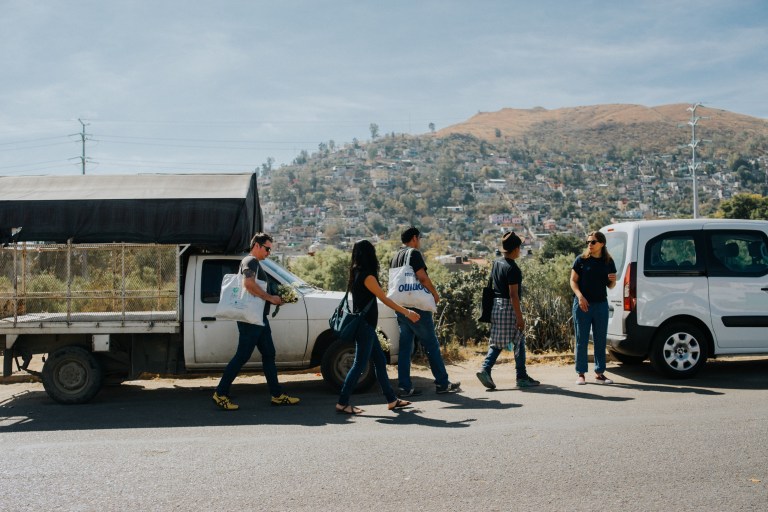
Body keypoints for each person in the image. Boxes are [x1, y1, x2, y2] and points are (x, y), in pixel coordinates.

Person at [212, 233, 300, 410]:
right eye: (267, 248)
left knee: (269, 354)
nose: (269, 252)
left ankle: (276, 395)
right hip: (251, 321)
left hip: (259, 320)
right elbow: (249, 284)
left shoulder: (255, 263)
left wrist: (275, 298)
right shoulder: (250, 261)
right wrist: (270, 298)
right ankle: (220, 394)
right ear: (257, 246)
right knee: (242, 356)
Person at [336, 239, 419, 414]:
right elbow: (384, 299)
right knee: (359, 365)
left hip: (366, 326)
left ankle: (391, 400)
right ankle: (342, 402)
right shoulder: (368, 276)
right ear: (370, 255)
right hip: (365, 326)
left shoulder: (356, 272)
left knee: (380, 361)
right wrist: (407, 312)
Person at [390, 226, 461, 397]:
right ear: (414, 238)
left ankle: (405, 387)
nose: (420, 242)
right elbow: (422, 278)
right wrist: (434, 294)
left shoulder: (395, 257)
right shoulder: (413, 254)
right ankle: (443, 383)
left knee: (406, 347)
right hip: (417, 307)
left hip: (401, 307)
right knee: (431, 345)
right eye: (419, 238)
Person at [476, 231, 540, 390]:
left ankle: (516, 374)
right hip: (508, 307)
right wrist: (520, 317)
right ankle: (493, 370)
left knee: (505, 341)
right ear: (516, 249)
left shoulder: (497, 263)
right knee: (511, 342)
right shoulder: (513, 269)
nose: (521, 250)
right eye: (520, 247)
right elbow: (513, 295)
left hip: (496, 306)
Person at [570, 230, 617, 385]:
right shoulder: (581, 260)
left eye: (593, 242)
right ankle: (581, 374)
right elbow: (573, 281)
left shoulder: (608, 262)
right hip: (582, 305)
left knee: (600, 340)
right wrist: (580, 296)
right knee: (581, 340)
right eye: (588, 242)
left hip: (601, 305)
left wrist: (613, 281)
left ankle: (599, 373)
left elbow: (610, 285)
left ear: (602, 244)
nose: (589, 244)